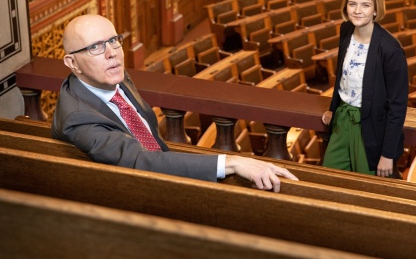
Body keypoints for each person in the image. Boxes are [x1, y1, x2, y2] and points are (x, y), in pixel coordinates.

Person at [52, 14, 298, 192]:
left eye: (114, 40)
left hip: (160, 171)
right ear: (72, 63)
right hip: (134, 195)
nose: (111, 53)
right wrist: (231, 161)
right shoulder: (78, 117)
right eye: (95, 47)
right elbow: (140, 161)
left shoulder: (111, 74)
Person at [321, 0, 408, 178]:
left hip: (371, 129)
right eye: (352, 3)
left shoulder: (390, 49)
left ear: (376, 9)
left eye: (365, 5)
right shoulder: (345, 31)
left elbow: (397, 105)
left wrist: (387, 154)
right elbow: (341, 76)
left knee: (366, 189)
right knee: (329, 179)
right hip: (343, 120)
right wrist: (333, 108)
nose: (357, 10)